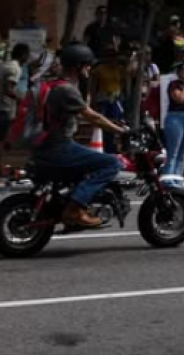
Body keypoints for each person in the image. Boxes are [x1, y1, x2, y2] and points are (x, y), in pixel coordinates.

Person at [31, 44, 124, 228]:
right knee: (111, 163)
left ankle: (70, 206)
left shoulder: (53, 85)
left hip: (46, 145)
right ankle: (75, 208)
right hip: (59, 147)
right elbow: (92, 116)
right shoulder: (66, 90)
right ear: (77, 67)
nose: (90, 69)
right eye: (87, 65)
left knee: (86, 166)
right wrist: (121, 132)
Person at [0, 42, 30, 178]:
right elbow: (8, 89)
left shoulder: (6, 65)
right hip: (1, 108)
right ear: (23, 55)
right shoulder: (14, 69)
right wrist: (22, 99)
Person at [90, 45, 126, 153]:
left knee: (117, 122)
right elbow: (93, 87)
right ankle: (106, 146)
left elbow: (123, 83)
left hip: (116, 99)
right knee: (105, 123)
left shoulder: (119, 69)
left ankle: (114, 147)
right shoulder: (99, 70)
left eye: (113, 56)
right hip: (103, 100)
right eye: (109, 56)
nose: (112, 58)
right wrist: (93, 101)